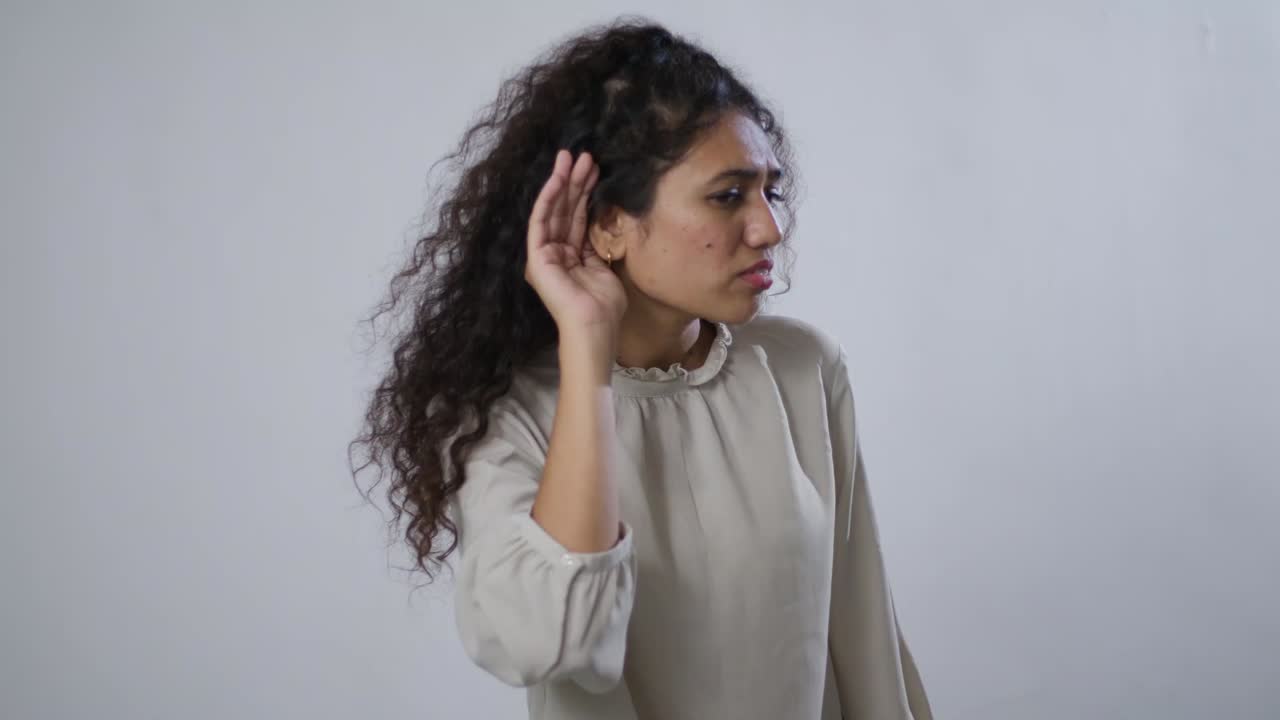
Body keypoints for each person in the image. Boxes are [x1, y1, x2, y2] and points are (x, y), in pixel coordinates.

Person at [350, 16, 934, 720]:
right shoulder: (511, 416)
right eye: (727, 195)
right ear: (608, 225)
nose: (769, 228)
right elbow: (556, 644)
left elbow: (864, 632)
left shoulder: (802, 370)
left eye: (768, 191)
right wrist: (588, 348)